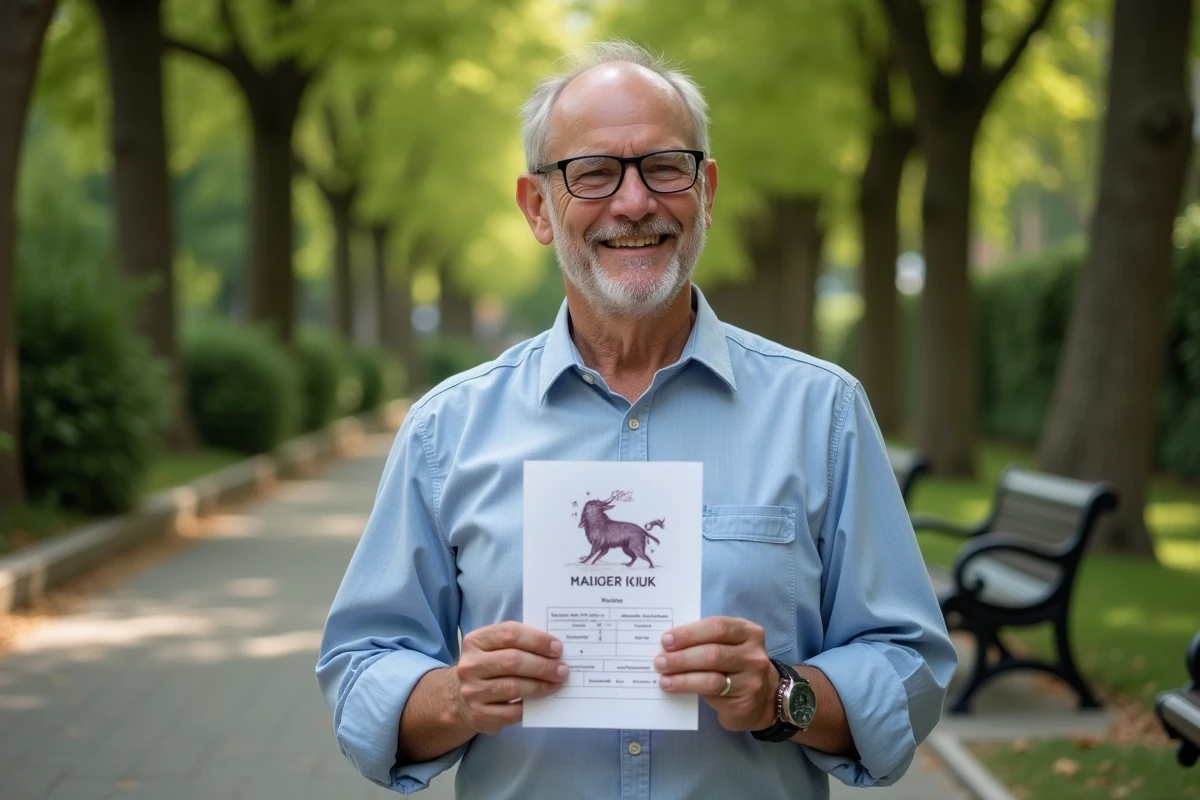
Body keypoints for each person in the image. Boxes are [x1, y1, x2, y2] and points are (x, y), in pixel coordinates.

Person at [316, 41, 956, 799]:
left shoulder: (823, 413)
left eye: (664, 166)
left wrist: (783, 696)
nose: (633, 202)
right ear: (538, 208)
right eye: (592, 173)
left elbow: (910, 663)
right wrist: (456, 697)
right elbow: (360, 667)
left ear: (706, 190)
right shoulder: (445, 430)